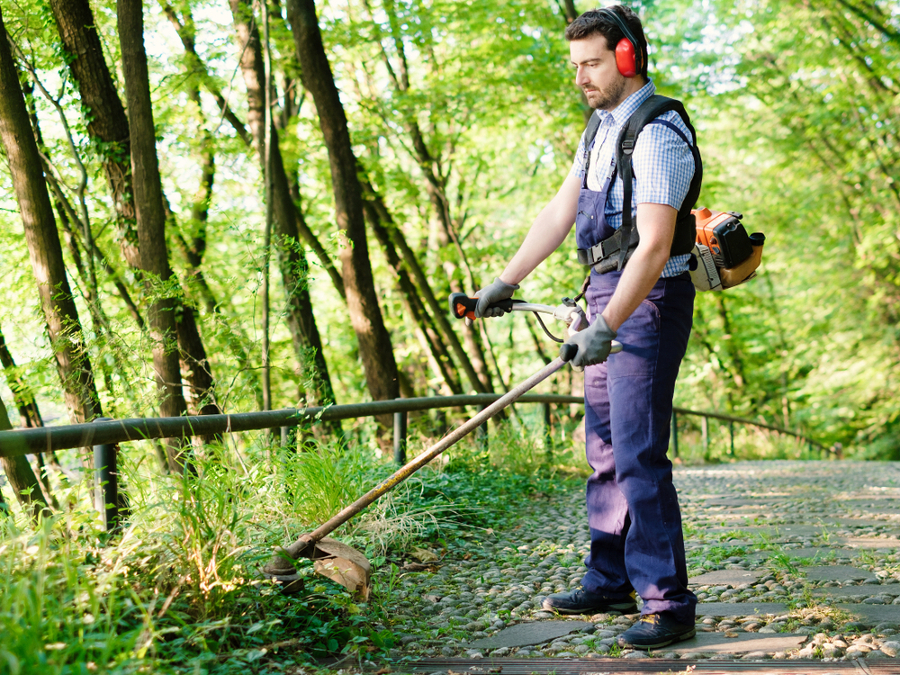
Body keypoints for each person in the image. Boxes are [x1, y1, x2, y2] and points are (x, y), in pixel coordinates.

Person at [473, 5, 699, 650]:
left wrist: (609, 323)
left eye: (592, 63)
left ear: (628, 58)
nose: (580, 78)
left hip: (646, 301)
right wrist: (507, 280)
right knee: (601, 447)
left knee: (636, 453)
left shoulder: (658, 133)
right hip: (603, 296)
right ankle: (609, 578)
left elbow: (654, 246)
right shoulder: (599, 130)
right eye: (575, 66)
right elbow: (560, 208)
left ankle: (668, 603)